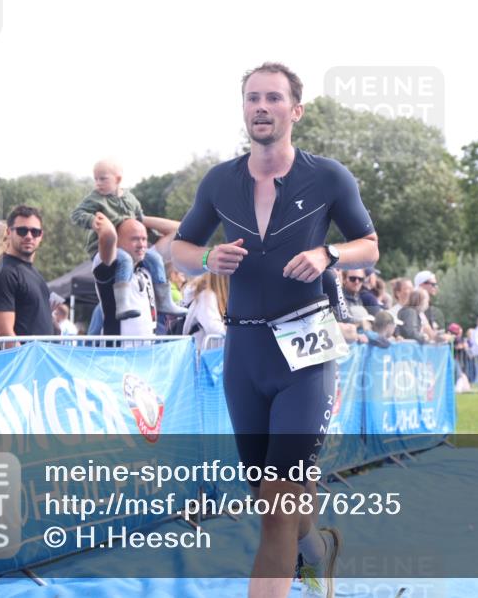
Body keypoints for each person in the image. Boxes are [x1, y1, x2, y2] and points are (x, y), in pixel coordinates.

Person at [170, 62, 378, 598]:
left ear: (295, 110)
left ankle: (297, 561)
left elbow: (370, 247)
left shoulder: (329, 176)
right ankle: (317, 552)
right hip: (245, 348)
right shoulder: (220, 180)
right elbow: (181, 251)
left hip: (307, 348)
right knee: (275, 500)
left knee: (277, 511)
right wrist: (207, 257)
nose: (261, 107)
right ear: (244, 109)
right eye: (252, 99)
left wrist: (329, 253)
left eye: (273, 98)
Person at [71, 158, 184, 320]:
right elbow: (78, 215)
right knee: (124, 259)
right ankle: (123, 303)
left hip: (146, 342)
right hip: (107, 248)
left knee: (156, 258)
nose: (97, 183)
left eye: (103, 179)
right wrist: (94, 222)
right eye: (95, 179)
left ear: (117, 179)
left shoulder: (131, 200)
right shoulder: (95, 199)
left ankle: (164, 300)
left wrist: (144, 229)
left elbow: (148, 221)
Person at [92, 214, 180, 340]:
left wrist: (139, 217)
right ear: (118, 241)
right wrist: (110, 218)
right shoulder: (108, 264)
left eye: (144, 239)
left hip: (146, 353)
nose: (141, 245)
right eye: (134, 239)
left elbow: (178, 230)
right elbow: (107, 236)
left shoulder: (148, 264)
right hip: (117, 353)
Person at [0, 205, 56, 345]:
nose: (29, 236)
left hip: (42, 361)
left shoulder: (35, 274)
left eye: (35, 232)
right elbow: (6, 337)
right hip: (22, 364)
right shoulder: (3, 274)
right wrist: (26, 365)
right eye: (22, 231)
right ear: (8, 232)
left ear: (41, 236)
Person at [181, 272, 228, 348]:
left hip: (205, 353)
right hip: (201, 353)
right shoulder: (206, 296)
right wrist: (234, 329)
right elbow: (212, 327)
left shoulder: (207, 295)